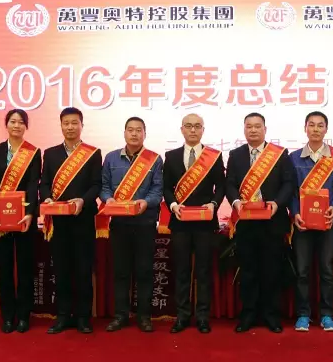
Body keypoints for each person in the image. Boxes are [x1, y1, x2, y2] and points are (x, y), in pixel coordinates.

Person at [226, 112, 296, 333]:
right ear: (244, 129)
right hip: (246, 223)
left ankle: (271, 315)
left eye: (258, 126)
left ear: (265, 129)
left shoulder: (279, 154)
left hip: (272, 223)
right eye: (249, 126)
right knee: (248, 271)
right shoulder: (236, 155)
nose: (253, 130)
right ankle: (248, 315)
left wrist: (277, 203)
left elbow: (288, 183)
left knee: (271, 271)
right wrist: (236, 202)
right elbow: (230, 184)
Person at [40, 107, 102, 334]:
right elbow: (44, 183)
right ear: (61, 126)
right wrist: (47, 198)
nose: (70, 127)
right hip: (59, 221)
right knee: (62, 269)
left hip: (83, 219)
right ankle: (63, 316)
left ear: (81, 125)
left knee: (83, 269)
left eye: (74, 123)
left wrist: (82, 201)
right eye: (66, 123)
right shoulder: (51, 153)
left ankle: (84, 317)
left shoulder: (93, 153)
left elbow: (96, 184)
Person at [163, 113, 226, 334]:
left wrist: (213, 204)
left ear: (203, 130)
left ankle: (202, 317)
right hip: (180, 221)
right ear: (181, 129)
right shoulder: (171, 156)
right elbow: (166, 187)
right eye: (188, 126)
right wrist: (173, 205)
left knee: (203, 271)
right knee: (181, 270)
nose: (193, 130)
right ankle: (182, 316)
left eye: (197, 126)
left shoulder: (213, 156)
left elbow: (221, 186)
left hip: (205, 223)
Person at [100, 116, 163, 333]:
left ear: (145, 133)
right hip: (119, 224)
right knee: (121, 271)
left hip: (145, 223)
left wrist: (146, 202)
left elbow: (157, 189)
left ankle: (144, 317)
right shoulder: (111, 158)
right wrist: (108, 199)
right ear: (124, 132)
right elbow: (104, 186)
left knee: (144, 271)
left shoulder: (154, 159)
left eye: (138, 130)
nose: (134, 134)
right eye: (130, 130)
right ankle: (121, 315)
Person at [290, 111, 333, 332]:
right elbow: (290, 191)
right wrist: (295, 212)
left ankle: (326, 315)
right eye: (311, 125)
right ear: (305, 128)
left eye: (320, 125)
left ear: (326, 129)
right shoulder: (293, 158)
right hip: (302, 224)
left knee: (326, 270)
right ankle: (303, 315)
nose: (315, 129)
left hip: (327, 223)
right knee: (302, 271)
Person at [0, 109, 42, 333]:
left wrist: (30, 212)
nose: (16, 125)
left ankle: (24, 316)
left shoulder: (33, 152)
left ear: (26, 126)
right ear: (6, 125)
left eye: (21, 122)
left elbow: (33, 184)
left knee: (26, 267)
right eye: (12, 121)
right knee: (5, 267)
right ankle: (8, 316)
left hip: (25, 218)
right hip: (1, 218)